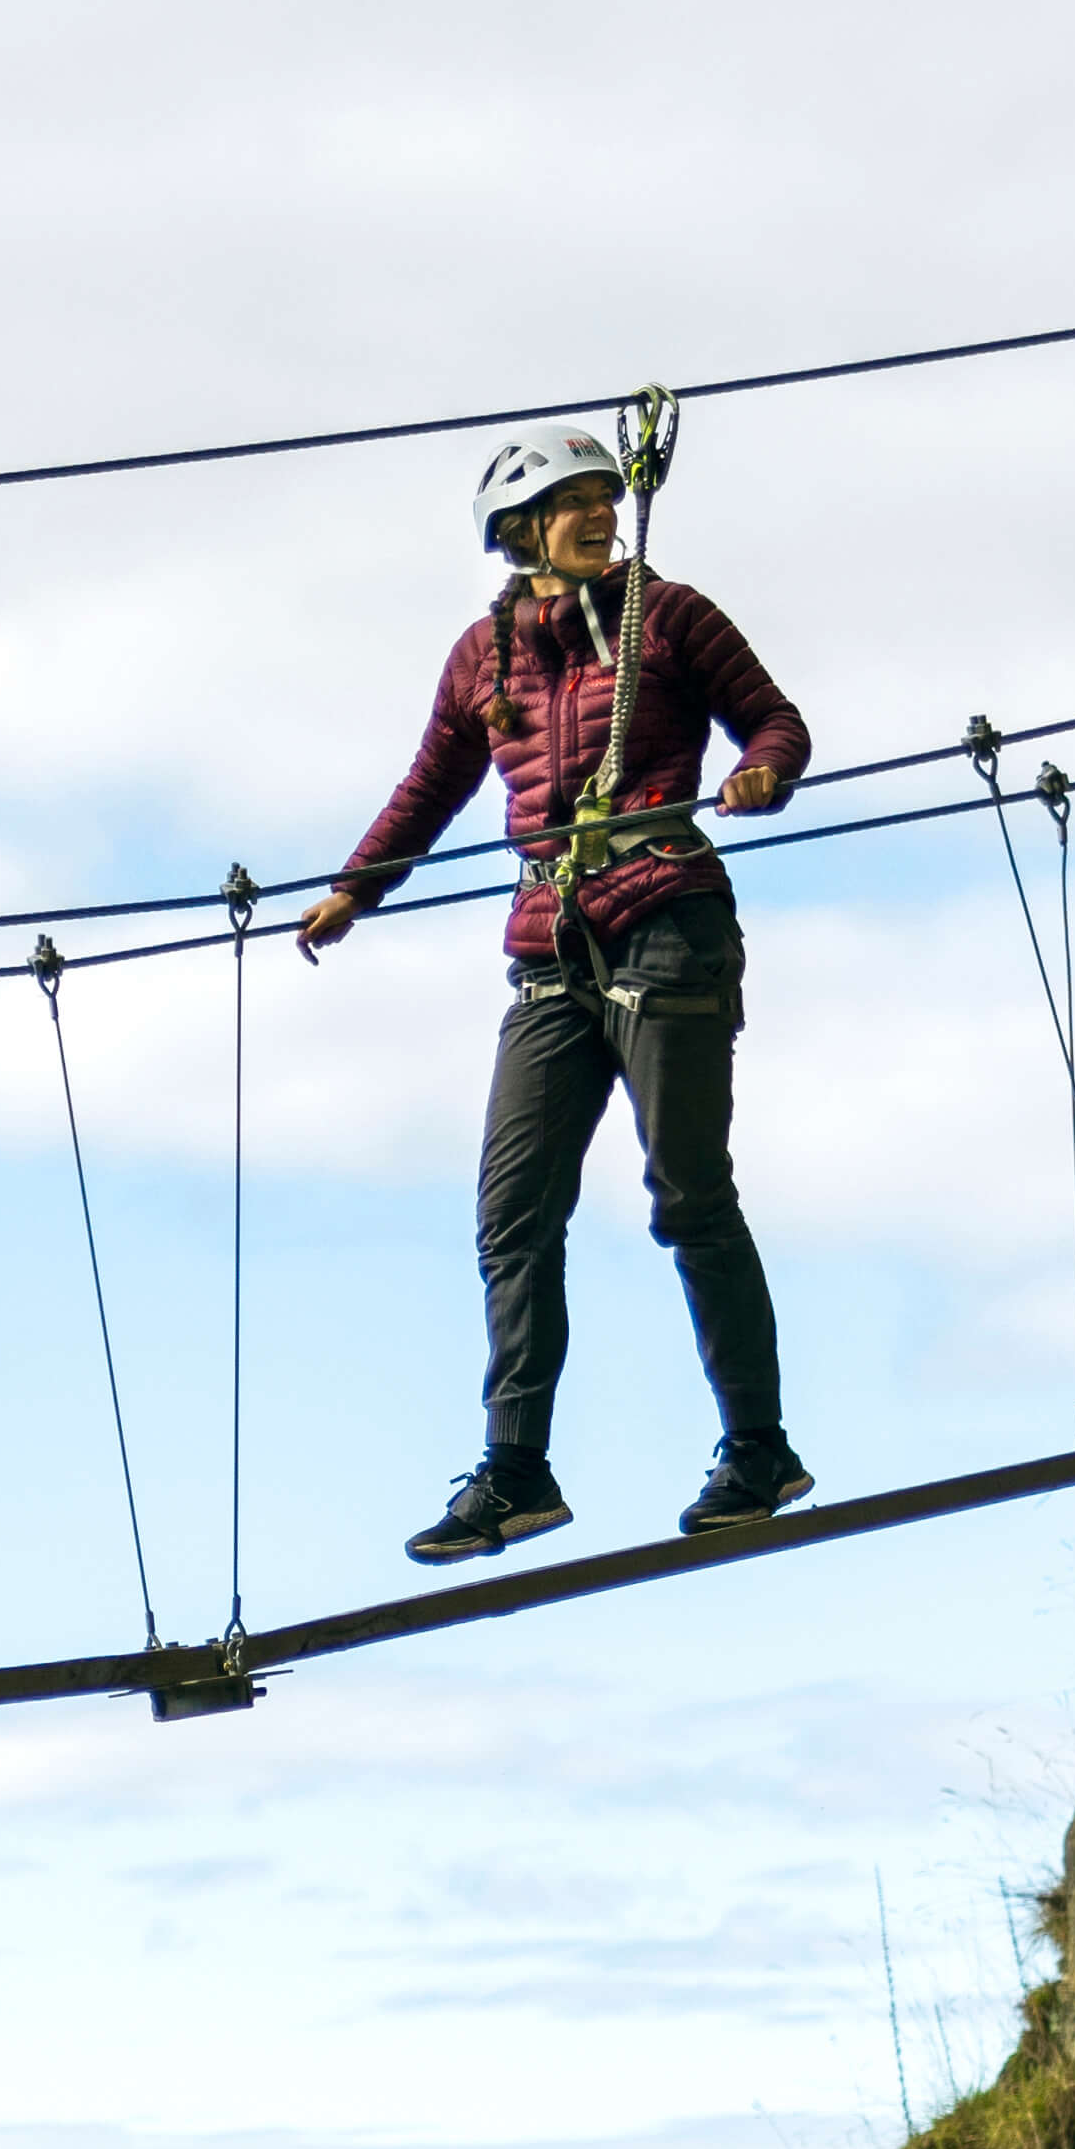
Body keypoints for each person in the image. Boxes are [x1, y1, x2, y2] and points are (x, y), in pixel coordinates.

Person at [296, 423, 816, 1560]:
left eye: (602, 498)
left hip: (666, 921)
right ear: (516, 534)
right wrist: (352, 893)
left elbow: (775, 719)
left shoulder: (667, 616)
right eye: (571, 503)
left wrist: (758, 771)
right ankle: (515, 1473)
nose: (597, 516)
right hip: (547, 947)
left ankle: (757, 1449)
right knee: (510, 1214)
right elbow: (430, 785)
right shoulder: (479, 659)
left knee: (686, 1197)